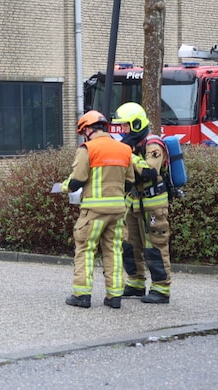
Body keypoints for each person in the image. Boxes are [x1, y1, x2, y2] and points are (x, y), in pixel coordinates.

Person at [62, 110, 136, 309]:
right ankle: (114, 297)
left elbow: (77, 180)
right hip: (118, 211)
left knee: (86, 249)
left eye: (82, 131)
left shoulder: (88, 148)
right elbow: (129, 183)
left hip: (93, 212)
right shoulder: (124, 149)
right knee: (114, 251)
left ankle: (82, 295)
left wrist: (64, 186)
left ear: (87, 129)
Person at [113, 102, 174, 304]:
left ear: (137, 124)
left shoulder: (152, 144)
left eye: (125, 126)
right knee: (130, 245)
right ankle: (136, 283)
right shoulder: (130, 145)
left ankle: (161, 289)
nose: (123, 130)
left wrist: (127, 156)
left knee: (154, 247)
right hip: (133, 203)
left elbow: (150, 172)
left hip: (153, 204)